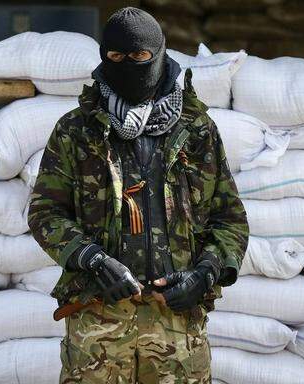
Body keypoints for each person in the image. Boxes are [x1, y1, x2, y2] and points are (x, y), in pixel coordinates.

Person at [28, 7, 249, 383]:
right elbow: (45, 213)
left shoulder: (197, 131)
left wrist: (204, 274)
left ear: (159, 55)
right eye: (116, 57)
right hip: (99, 323)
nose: (127, 65)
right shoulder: (77, 130)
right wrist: (93, 260)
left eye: (139, 57)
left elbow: (230, 220)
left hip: (176, 326)